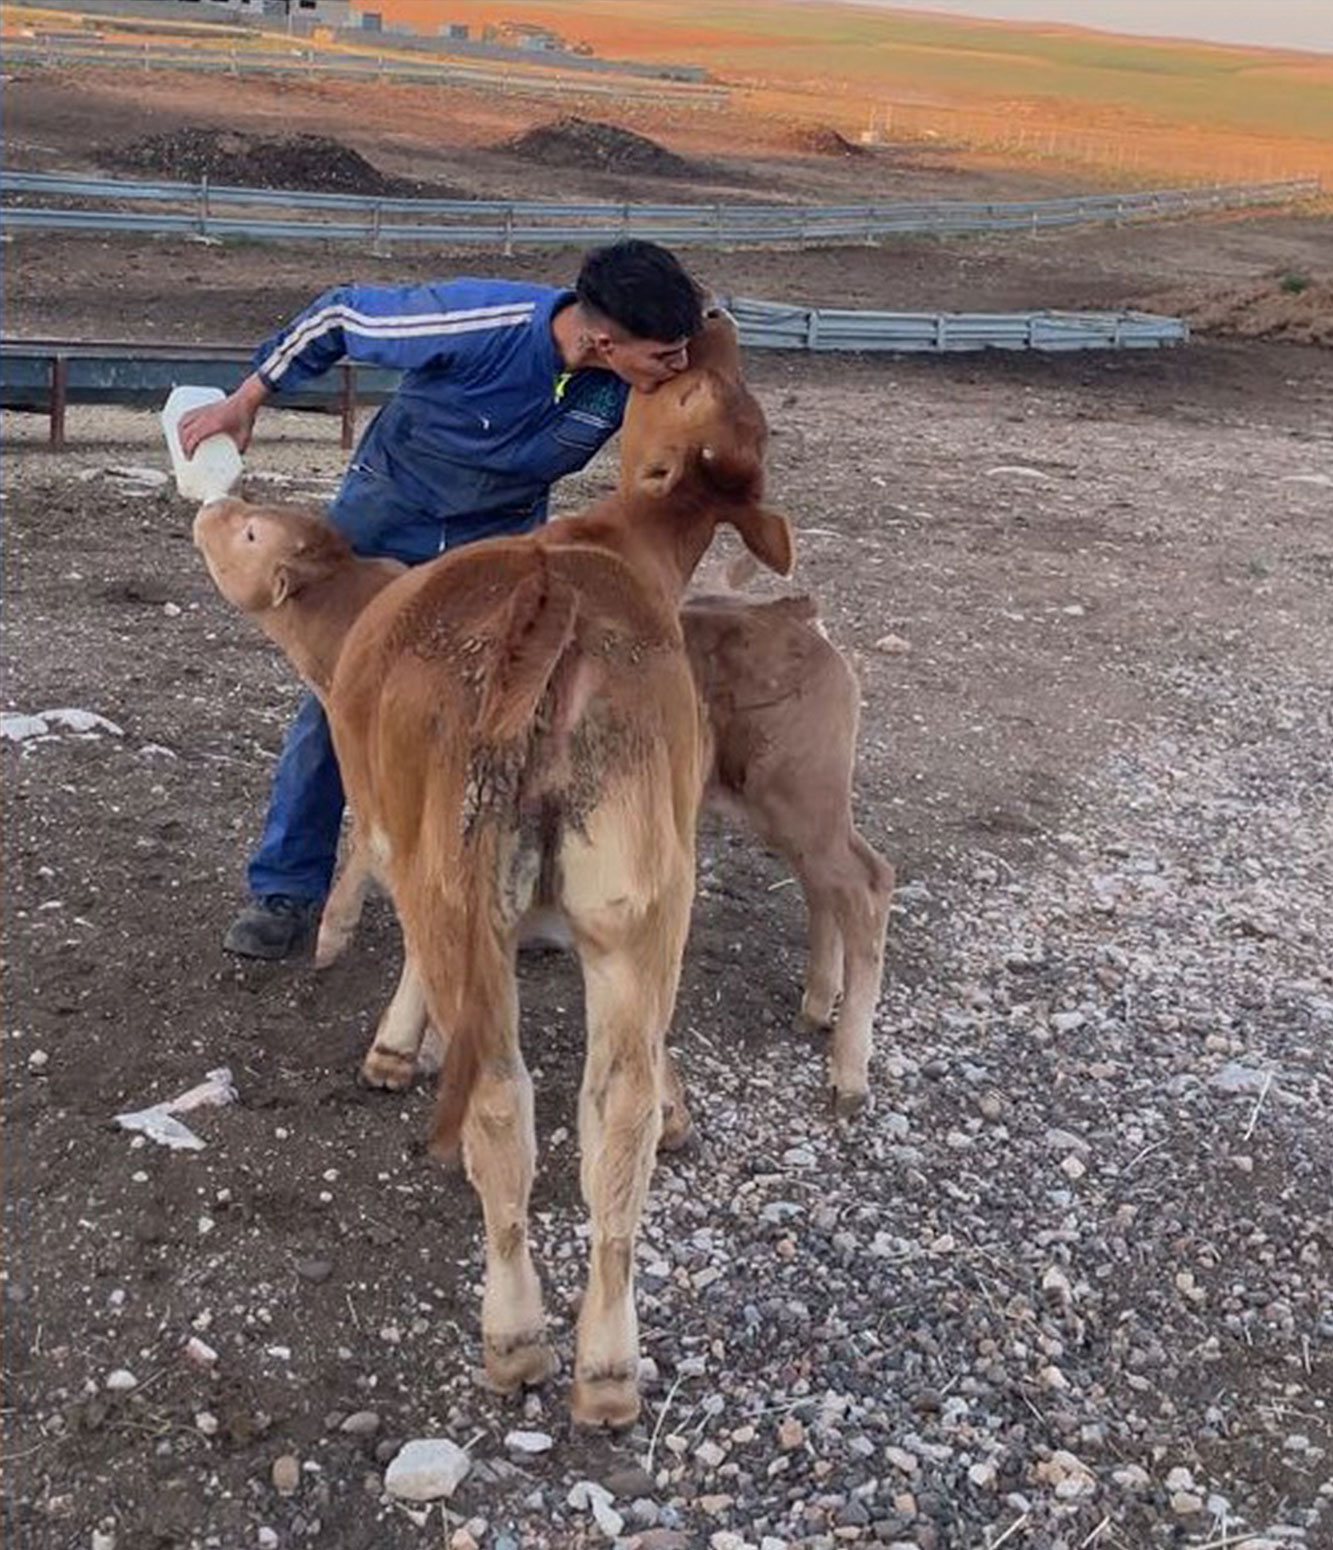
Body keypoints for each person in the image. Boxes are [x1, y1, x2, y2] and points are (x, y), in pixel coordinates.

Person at [180, 239, 705, 959]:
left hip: (494, 544)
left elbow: (714, 367)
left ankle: (505, 888)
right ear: (605, 339)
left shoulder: (623, 381)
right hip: (385, 516)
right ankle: (287, 888)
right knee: (344, 700)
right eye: (665, 355)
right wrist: (247, 398)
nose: (678, 368)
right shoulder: (475, 321)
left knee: (503, 709)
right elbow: (337, 314)